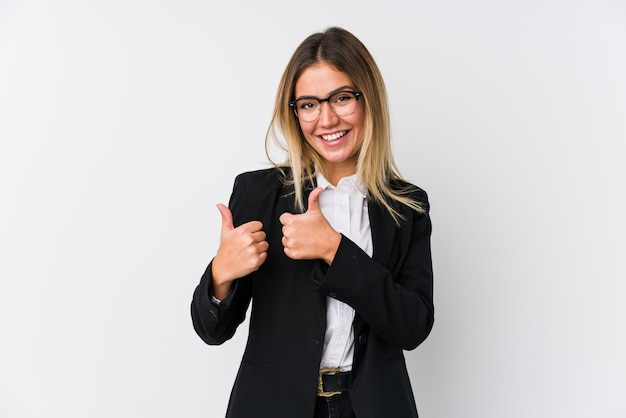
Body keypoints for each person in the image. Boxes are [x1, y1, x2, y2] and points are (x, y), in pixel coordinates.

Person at [191, 26, 434, 418]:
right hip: (273, 406)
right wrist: (221, 274)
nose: (326, 118)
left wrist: (335, 250)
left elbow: (413, 326)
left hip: (371, 407)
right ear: (295, 112)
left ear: (368, 98)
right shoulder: (259, 194)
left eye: (341, 98)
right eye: (308, 104)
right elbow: (211, 330)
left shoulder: (407, 206)